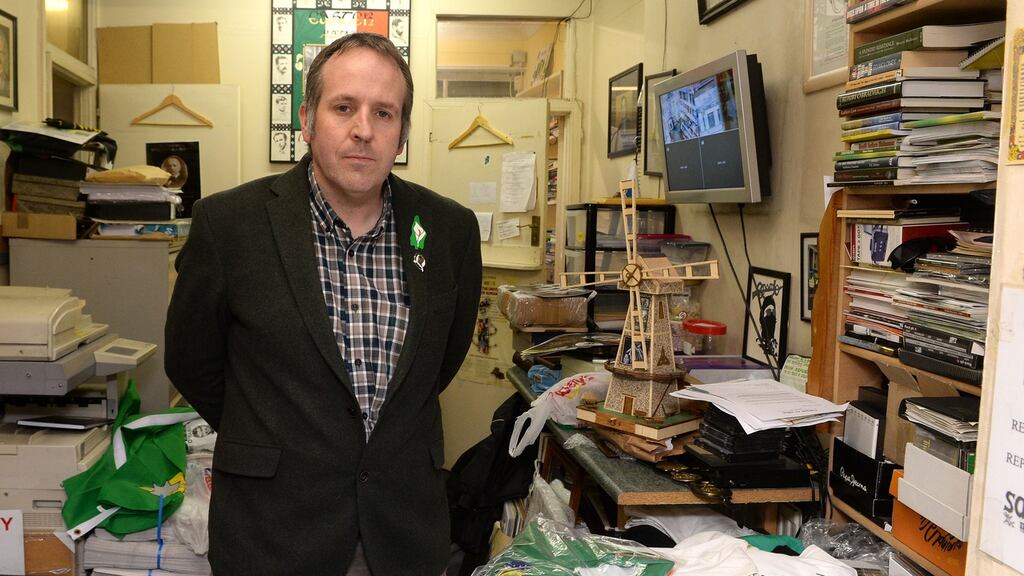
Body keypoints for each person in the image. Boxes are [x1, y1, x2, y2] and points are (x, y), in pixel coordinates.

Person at [165, 32, 482, 575]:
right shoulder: (229, 225)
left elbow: (439, 362)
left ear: (402, 135)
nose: (364, 129)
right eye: (344, 107)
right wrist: (271, 432)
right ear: (308, 120)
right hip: (273, 532)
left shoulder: (448, 229)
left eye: (384, 113)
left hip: (403, 532)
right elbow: (192, 362)